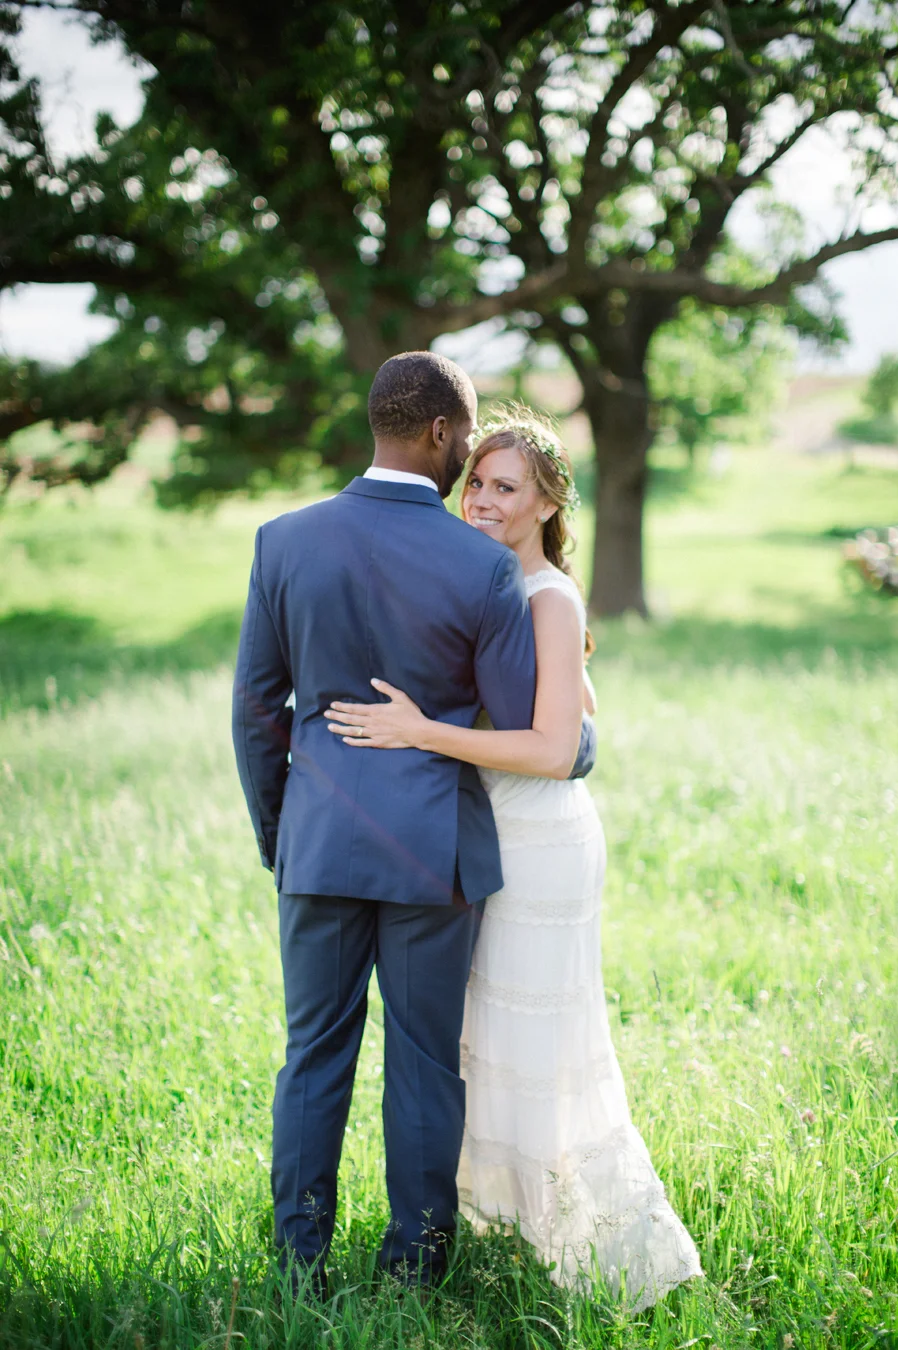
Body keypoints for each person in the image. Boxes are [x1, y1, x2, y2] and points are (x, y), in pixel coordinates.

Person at [231, 355, 595, 1297]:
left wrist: (287, 836)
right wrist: (581, 747)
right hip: (434, 853)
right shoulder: (479, 565)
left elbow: (256, 712)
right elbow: (524, 721)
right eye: (467, 439)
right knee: (426, 1061)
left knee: (313, 1052)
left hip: (316, 842)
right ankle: (415, 1266)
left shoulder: (283, 540)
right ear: (440, 434)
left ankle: (298, 1261)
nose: (468, 456)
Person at [326, 408, 702, 1311]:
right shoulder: (485, 584)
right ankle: (501, 1218)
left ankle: (603, 1252)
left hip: (541, 841)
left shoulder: (549, 596)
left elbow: (549, 747)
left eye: (506, 488)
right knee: (481, 1036)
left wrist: (423, 732)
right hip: (481, 834)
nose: (483, 502)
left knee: (543, 1041)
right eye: (476, 484)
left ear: (545, 503)